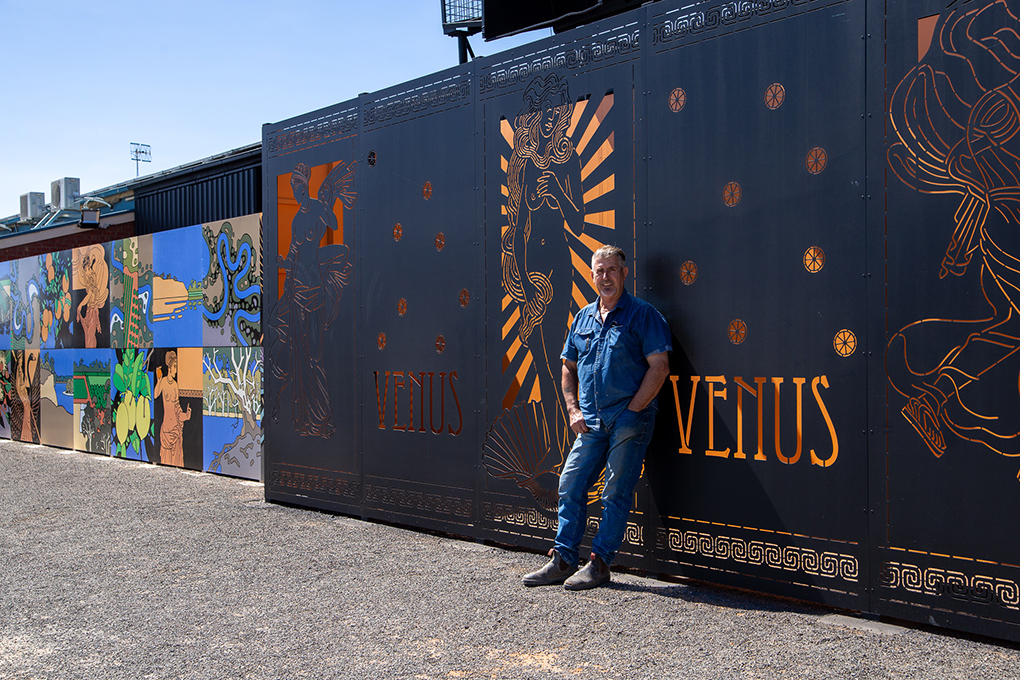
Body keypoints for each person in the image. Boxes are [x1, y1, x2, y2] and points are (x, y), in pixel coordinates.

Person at [523, 245, 671, 590]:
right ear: (591, 276)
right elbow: (568, 367)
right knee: (570, 485)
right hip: (590, 422)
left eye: (611, 270)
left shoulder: (644, 315)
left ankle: (600, 564)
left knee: (615, 493)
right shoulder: (583, 317)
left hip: (629, 420)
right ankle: (562, 559)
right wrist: (573, 409)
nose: (605, 277)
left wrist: (633, 410)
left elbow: (660, 367)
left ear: (624, 273)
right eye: (599, 271)